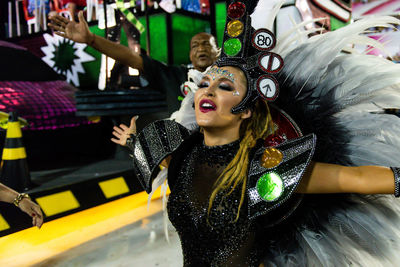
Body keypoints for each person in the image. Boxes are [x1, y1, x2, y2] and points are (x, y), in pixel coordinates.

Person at [110, 0, 400, 266]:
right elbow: (166, 164)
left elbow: (357, 179)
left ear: (245, 110)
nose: (208, 90)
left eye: (225, 87)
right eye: (205, 84)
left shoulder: (265, 171)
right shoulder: (183, 156)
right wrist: (134, 142)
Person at [47, 12, 219, 114]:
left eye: (206, 44)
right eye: (194, 45)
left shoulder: (230, 78)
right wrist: (91, 40)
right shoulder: (174, 76)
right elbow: (130, 57)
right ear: (189, 55)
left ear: (217, 51)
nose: (200, 48)